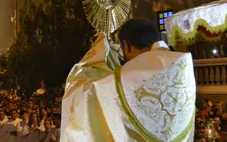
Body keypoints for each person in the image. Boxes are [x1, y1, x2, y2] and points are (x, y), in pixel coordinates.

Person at [61, 17, 196, 142]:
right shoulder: (180, 72)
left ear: (126, 45)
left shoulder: (128, 78)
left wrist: (98, 47)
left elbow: (83, 94)